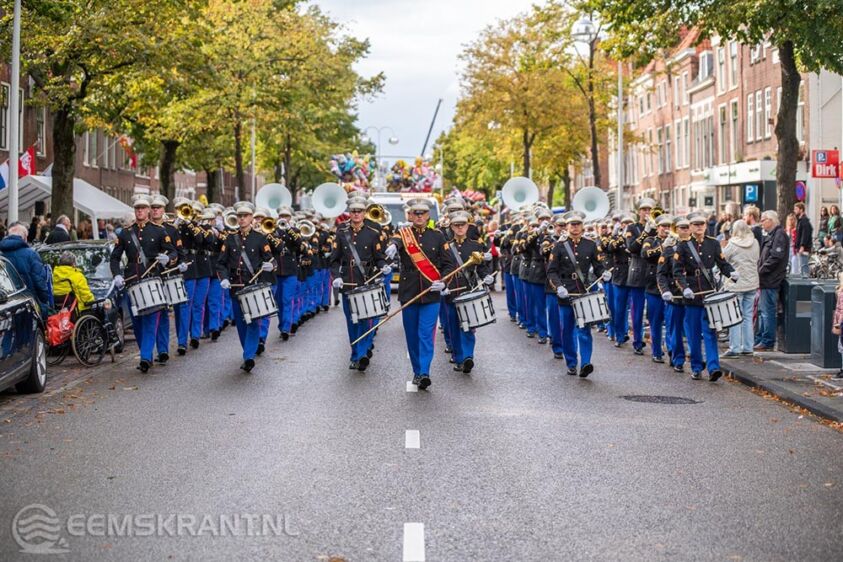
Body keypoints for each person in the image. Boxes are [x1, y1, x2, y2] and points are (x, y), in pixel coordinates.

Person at [386, 198, 456, 390]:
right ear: (409, 215)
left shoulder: (438, 236)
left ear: (428, 215)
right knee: (412, 335)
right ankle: (417, 370)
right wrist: (392, 245)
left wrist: (442, 282)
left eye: (422, 213)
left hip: (431, 294)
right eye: (415, 213)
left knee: (425, 334)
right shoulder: (403, 233)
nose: (418, 216)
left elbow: (449, 264)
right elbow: (396, 240)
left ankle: (424, 371)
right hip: (409, 293)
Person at [110, 195, 177, 372]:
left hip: (153, 280)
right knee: (137, 321)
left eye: (143, 208)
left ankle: (145, 357)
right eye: (137, 208)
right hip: (132, 281)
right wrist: (117, 275)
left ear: (148, 211)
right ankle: (145, 351)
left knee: (150, 320)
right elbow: (115, 257)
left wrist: (167, 259)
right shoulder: (125, 233)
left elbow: (173, 253)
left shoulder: (159, 231)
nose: (140, 211)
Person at [673, 212, 736, 382]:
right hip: (692, 295)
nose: (699, 227)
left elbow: (723, 264)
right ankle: (696, 366)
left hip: (709, 294)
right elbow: (677, 271)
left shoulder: (713, 244)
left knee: (710, 332)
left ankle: (714, 367)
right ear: (691, 227)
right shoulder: (684, 246)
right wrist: (684, 287)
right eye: (696, 224)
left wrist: (732, 273)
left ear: (705, 226)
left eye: (702, 224)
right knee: (693, 335)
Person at [546, 211, 610, 378]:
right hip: (566, 292)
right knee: (567, 330)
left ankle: (586, 362)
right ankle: (572, 363)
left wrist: (604, 273)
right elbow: (551, 271)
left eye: (578, 224)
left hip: (583, 292)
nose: (575, 227)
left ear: (582, 226)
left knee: (584, 329)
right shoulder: (559, 246)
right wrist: (558, 287)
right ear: (566, 227)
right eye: (572, 224)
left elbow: (598, 266)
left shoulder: (590, 245)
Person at [329, 196, 387, 371]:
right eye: (353, 211)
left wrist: (383, 268)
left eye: (359, 211)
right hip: (348, 281)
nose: (356, 214)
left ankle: (361, 354)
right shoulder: (341, 231)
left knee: (366, 320)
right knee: (352, 321)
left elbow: (379, 258)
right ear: (349, 212)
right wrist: (336, 276)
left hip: (366, 281)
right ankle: (356, 353)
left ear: (364, 213)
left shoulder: (372, 232)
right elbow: (334, 259)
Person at [216, 202, 275, 373]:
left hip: (253, 287)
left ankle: (248, 356)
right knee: (241, 324)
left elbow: (270, 259)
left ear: (251, 217)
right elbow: (221, 263)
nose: (242, 219)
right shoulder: (230, 238)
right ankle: (247, 350)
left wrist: (270, 266)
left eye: (245, 216)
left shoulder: (260, 238)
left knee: (253, 321)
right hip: (235, 287)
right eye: (239, 216)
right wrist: (224, 279)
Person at [443, 210, 493, 373]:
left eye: (462, 225)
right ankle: (458, 358)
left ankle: (468, 357)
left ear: (467, 226)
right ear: (451, 226)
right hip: (450, 291)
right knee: (454, 326)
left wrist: (486, 277)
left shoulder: (475, 245)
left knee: (468, 326)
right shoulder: (444, 246)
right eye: (456, 225)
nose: (459, 228)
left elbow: (482, 268)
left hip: (468, 289)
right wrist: (442, 285)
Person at [150, 195, 189, 363]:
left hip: (170, 274)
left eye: (158, 207)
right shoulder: (146, 229)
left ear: (164, 210)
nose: (155, 210)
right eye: (153, 207)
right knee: (161, 312)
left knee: (180, 307)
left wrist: (179, 263)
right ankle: (163, 349)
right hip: (153, 276)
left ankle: (182, 342)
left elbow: (180, 252)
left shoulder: (172, 230)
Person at [721, 220, 760, 357]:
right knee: (748, 316)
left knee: (734, 317)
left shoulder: (733, 243)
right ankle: (748, 346)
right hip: (752, 283)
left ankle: (735, 348)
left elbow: (723, 259)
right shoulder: (755, 242)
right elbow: (757, 258)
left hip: (736, 284)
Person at [657, 215, 690, 372]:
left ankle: (695, 359)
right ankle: (678, 359)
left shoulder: (698, 248)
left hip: (694, 295)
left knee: (692, 330)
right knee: (675, 330)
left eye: (686, 227)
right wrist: (665, 291)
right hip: (675, 295)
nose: (685, 230)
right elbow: (661, 274)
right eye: (682, 228)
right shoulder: (669, 250)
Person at [622, 198, 655, 354]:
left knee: (655, 312)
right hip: (638, 272)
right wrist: (646, 232)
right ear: (639, 212)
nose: (647, 212)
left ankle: (657, 344)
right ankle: (637, 341)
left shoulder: (657, 228)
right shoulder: (632, 227)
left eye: (649, 209)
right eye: (644, 209)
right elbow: (632, 247)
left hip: (654, 273)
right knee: (637, 310)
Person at [755, 210, 790, 351]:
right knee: (764, 310)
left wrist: (761, 270)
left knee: (767, 311)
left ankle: (767, 341)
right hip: (766, 279)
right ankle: (762, 338)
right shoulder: (772, 234)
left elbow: (776, 257)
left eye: (763, 220)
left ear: (771, 220)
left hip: (771, 279)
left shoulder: (779, 234)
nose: (761, 223)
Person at [641, 214, 673, 363]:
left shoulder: (676, 241)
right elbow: (645, 254)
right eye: (663, 226)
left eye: (668, 226)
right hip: (653, 286)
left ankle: (673, 350)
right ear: (658, 227)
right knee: (656, 320)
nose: (666, 229)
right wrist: (663, 247)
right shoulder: (650, 241)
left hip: (672, 285)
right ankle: (657, 352)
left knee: (672, 320)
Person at [0, 223, 51, 312]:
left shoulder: (2, 254)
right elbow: (39, 280)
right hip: (29, 303)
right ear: (25, 237)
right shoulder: (31, 254)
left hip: (5, 302)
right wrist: (44, 300)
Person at [793, 202, 813, 276]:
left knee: (803, 266)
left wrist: (802, 246)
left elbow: (805, 234)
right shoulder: (800, 220)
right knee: (801, 266)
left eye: (796, 209)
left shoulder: (804, 220)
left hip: (804, 248)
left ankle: (805, 281)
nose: (794, 210)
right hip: (801, 247)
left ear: (801, 210)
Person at [832, 272, 843, 379]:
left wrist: (838, 322)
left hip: (841, 322)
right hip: (840, 321)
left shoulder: (841, 293)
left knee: (841, 346)